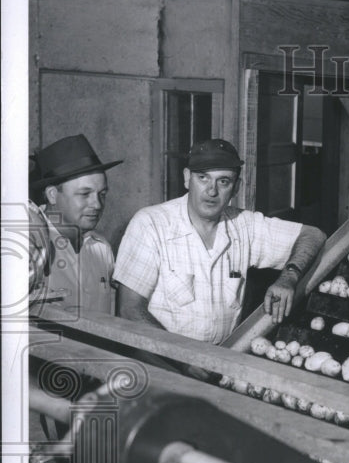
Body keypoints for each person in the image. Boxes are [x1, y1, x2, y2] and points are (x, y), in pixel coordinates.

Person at [114, 138, 325, 345]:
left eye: (223, 181)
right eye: (203, 178)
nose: (212, 191)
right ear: (187, 178)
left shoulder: (244, 225)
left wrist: (288, 277)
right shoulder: (151, 224)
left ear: (236, 188)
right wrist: (184, 360)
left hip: (221, 361)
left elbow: (313, 235)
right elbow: (130, 311)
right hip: (160, 362)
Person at [28, 134, 121, 317]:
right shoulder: (30, 245)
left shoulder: (101, 248)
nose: (97, 204)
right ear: (53, 195)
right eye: (84, 194)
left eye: (102, 194)